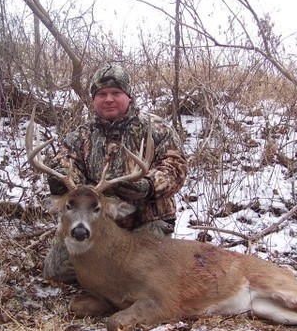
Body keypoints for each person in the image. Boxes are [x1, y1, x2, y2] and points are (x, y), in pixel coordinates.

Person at [43, 62, 188, 283]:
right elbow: (64, 163)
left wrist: (148, 186)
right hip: (95, 224)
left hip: (146, 225)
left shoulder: (156, 128)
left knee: (138, 276)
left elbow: (175, 168)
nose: (108, 99)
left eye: (116, 93)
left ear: (128, 96)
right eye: (102, 94)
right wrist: (63, 180)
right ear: (94, 99)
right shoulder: (80, 136)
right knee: (58, 272)